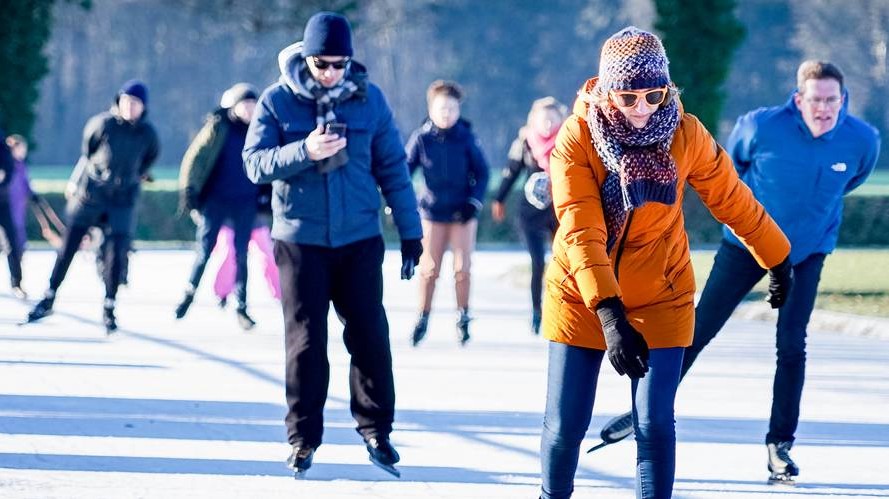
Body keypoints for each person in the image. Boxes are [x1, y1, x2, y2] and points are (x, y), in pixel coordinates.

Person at [539, 27, 793, 499]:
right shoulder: (577, 137)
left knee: (654, 424)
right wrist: (610, 314)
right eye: (629, 95)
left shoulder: (685, 131)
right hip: (582, 295)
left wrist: (777, 258)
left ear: (667, 89)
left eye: (653, 94)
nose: (642, 108)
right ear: (608, 89)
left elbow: (732, 198)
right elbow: (581, 229)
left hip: (663, 293)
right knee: (565, 425)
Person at [242, 11, 423, 476]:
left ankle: (376, 430)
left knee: (369, 336)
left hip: (359, 238)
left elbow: (394, 172)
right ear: (305, 58)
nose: (331, 73)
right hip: (299, 240)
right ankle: (303, 438)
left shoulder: (370, 101)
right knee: (305, 343)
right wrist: (304, 150)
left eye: (339, 64)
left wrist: (411, 233)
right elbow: (255, 164)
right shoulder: (277, 101)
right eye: (322, 63)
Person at [684, 60, 879, 483]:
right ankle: (647, 413)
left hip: (806, 253)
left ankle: (780, 445)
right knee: (698, 329)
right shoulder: (760, 127)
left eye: (832, 100)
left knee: (792, 345)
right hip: (746, 245)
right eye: (816, 100)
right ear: (798, 100)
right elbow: (730, 169)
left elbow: (851, 181)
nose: (825, 108)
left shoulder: (862, 140)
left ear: (842, 100)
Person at [25, 80, 159, 333]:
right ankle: (49, 296)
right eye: (126, 101)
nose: (130, 107)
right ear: (118, 101)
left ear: (144, 107)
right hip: (91, 196)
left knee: (116, 254)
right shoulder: (102, 124)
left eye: (136, 103)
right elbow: (88, 151)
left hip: (123, 200)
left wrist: (133, 176)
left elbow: (149, 158)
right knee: (68, 248)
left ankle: (109, 305)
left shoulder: (148, 134)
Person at [405, 80, 490, 347]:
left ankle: (463, 316)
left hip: (461, 213)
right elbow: (404, 171)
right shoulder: (421, 138)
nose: (446, 114)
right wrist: (402, 200)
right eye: (441, 108)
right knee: (429, 269)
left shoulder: (466, 137)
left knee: (462, 268)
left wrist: (473, 202)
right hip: (432, 212)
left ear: (458, 110)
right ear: (431, 109)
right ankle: (423, 315)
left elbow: (483, 172)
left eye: (452, 109)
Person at [175, 82, 260, 330]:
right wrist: (189, 192)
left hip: (246, 201)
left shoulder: (259, 130)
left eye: (253, 106)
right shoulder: (218, 127)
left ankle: (241, 306)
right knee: (205, 250)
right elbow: (195, 158)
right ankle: (188, 294)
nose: (249, 110)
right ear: (234, 106)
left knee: (242, 254)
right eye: (245, 105)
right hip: (216, 200)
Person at [491, 97, 567, 335]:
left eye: (551, 119)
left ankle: (564, 311)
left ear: (559, 119)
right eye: (542, 119)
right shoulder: (525, 141)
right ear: (533, 120)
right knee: (538, 262)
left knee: (564, 263)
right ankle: (537, 311)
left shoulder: (567, 139)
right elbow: (511, 172)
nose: (546, 124)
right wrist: (499, 199)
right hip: (530, 213)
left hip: (560, 211)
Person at [213, 184, 281, 307]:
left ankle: (280, 293)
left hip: (255, 214)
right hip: (231, 215)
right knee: (228, 253)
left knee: (268, 254)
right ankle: (222, 293)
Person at [5, 134, 39, 298]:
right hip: (7, 209)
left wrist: (33, 195)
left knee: (16, 246)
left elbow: (26, 184)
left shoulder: (21, 166)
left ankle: (16, 283)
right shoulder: (7, 163)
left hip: (16, 212)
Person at [0, 125, 24, 299]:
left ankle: (16, 282)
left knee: (12, 243)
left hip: (2, 200)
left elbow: (9, 167)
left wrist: (4, 175)